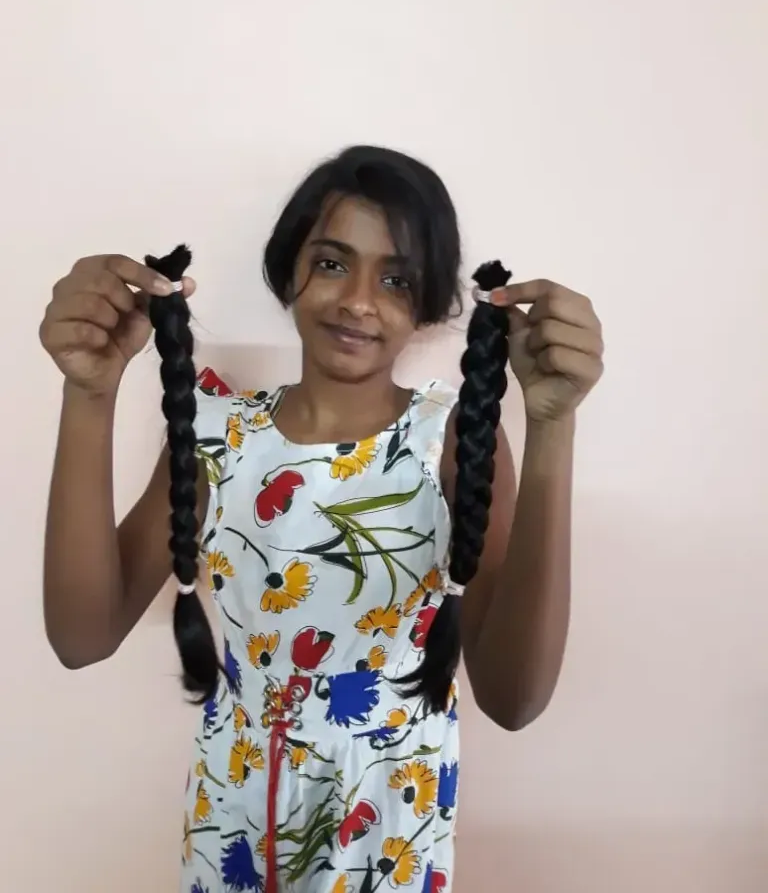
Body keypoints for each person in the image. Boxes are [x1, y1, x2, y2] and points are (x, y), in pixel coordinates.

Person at [39, 145, 604, 893]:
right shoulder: (219, 435)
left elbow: (514, 698)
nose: (359, 301)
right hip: (234, 815)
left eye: (396, 279)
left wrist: (554, 426)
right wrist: (89, 394)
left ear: (431, 302)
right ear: (288, 271)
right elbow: (81, 638)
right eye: (333, 263)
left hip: (387, 826)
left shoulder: (448, 441)